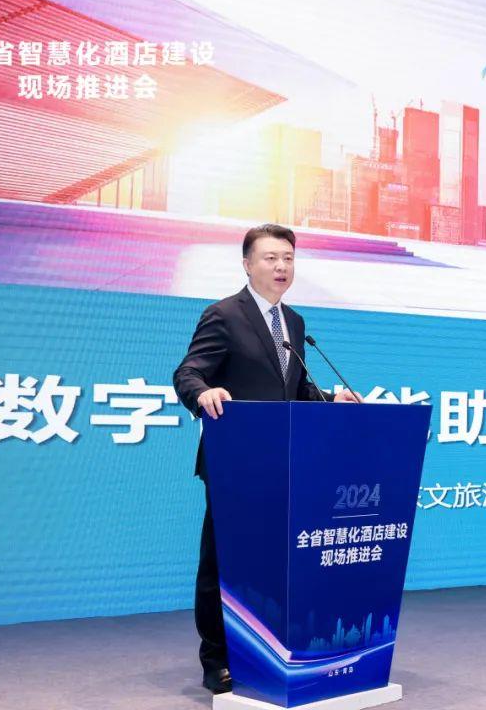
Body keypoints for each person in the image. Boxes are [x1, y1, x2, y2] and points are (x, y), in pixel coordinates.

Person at [173, 223, 360, 694]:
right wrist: (203, 393)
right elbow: (188, 372)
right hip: (235, 463)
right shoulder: (223, 314)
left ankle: (265, 651)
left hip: (283, 464)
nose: (281, 267)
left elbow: (293, 388)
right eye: (271, 258)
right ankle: (216, 659)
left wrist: (330, 399)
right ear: (247, 264)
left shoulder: (293, 322)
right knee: (223, 563)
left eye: (288, 259)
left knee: (272, 565)